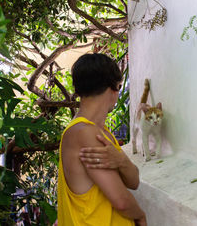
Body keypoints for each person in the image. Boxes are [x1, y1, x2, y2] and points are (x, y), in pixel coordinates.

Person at [57, 53, 146, 226]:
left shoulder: (103, 133)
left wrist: (121, 160)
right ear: (113, 88)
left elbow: (134, 181)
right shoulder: (84, 133)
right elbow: (121, 200)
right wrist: (140, 215)